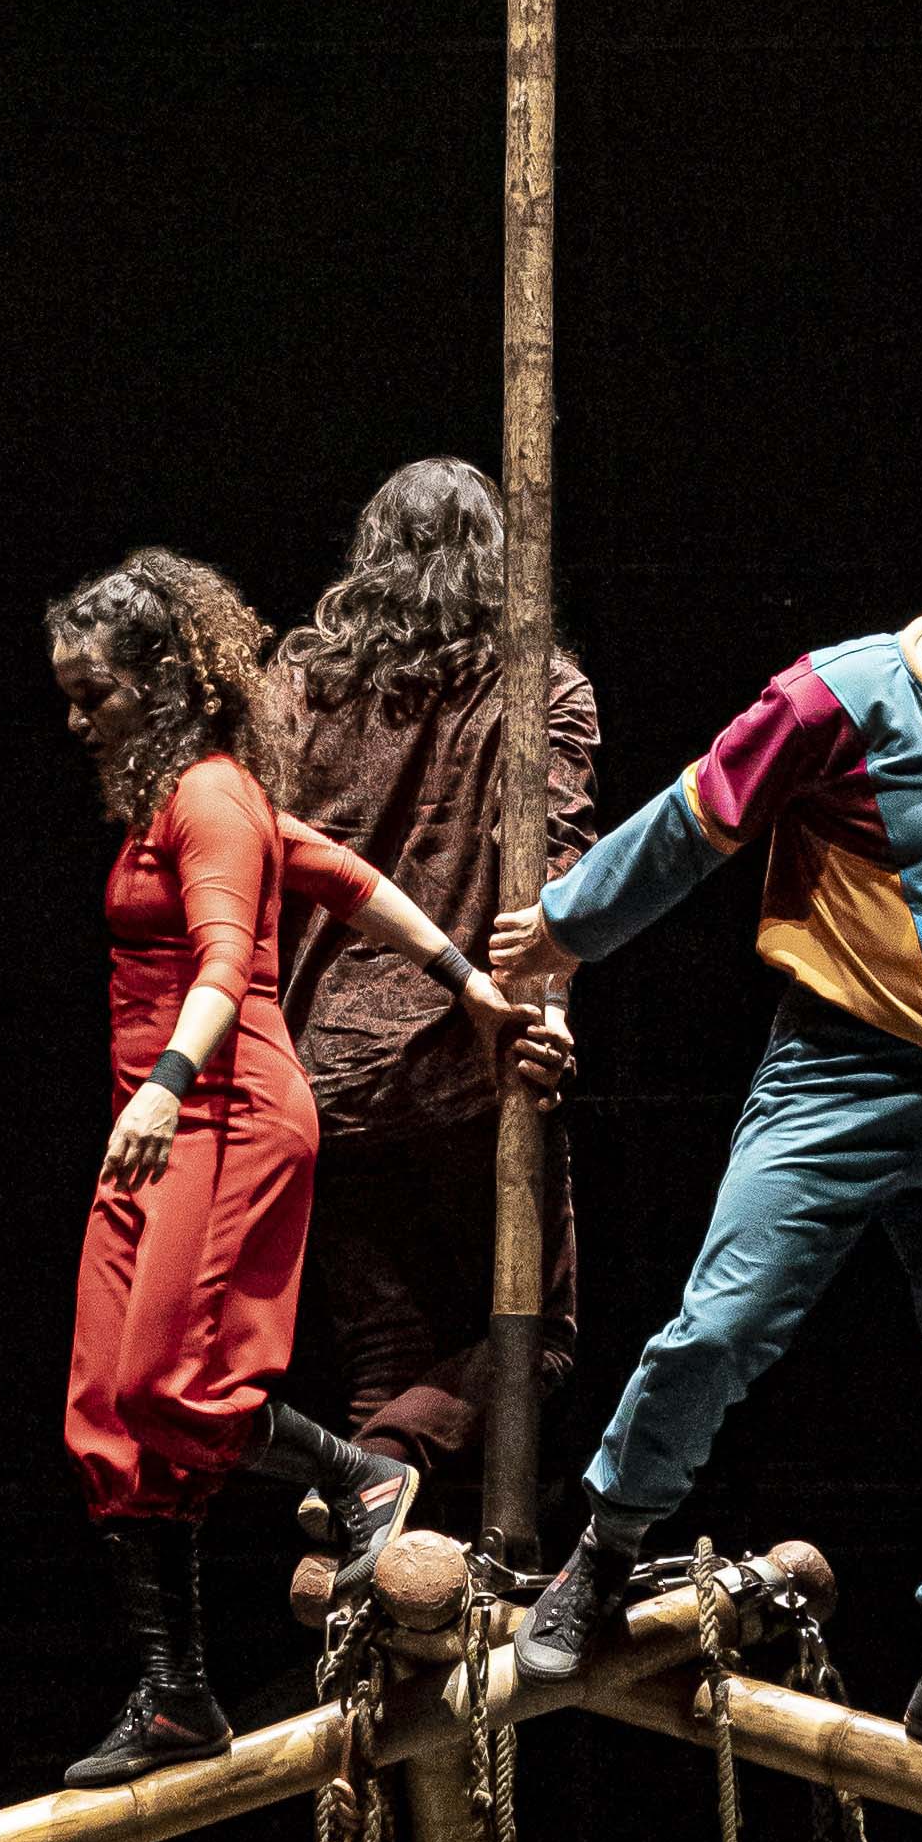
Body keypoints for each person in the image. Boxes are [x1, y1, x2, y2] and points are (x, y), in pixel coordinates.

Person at [490, 487, 922, 1792]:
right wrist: (567, 925)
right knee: (720, 1326)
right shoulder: (835, 699)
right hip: (833, 1073)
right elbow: (693, 822)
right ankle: (602, 1555)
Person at [44, 544, 555, 1787]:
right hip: (154, 1122)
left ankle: (360, 1473)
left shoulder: (209, 796)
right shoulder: (188, 803)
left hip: (216, 1111)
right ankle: (176, 1694)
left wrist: (166, 1084)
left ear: (161, 680)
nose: (76, 717)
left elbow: (227, 961)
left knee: (169, 1385)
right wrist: (469, 984)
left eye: (93, 691)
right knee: (107, 1416)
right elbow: (348, 877)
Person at [261, 456, 598, 1489]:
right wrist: (547, 1014)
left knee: (384, 1350)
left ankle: (364, 1511)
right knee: (534, 1336)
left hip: (315, 1072)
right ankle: (380, 1469)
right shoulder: (538, 688)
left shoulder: (298, 685)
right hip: (466, 1063)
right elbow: (556, 866)